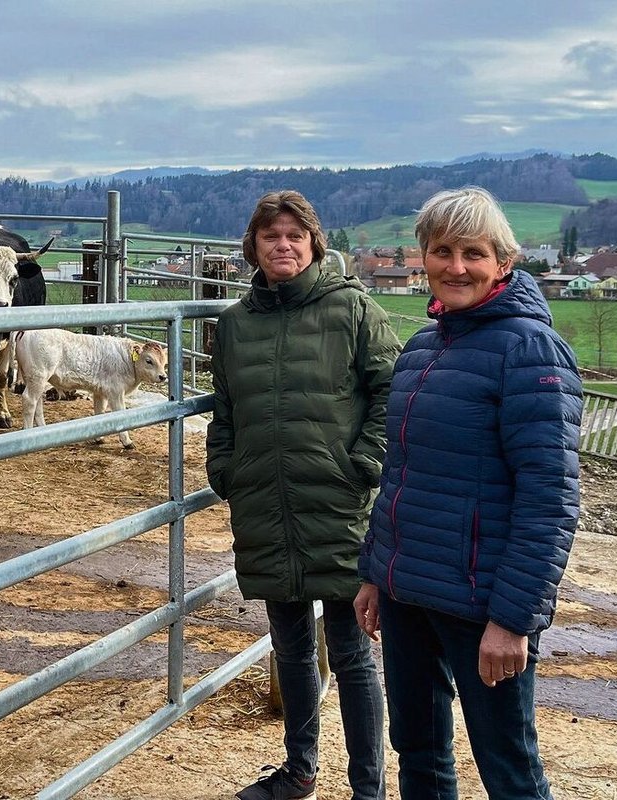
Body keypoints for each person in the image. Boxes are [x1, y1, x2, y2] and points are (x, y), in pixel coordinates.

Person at [355, 187, 583, 799]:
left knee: (507, 767)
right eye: (443, 250)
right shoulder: (422, 350)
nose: (457, 267)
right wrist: (377, 573)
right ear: (423, 257)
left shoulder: (528, 349)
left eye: (474, 253)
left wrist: (513, 620)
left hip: (483, 602)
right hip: (410, 594)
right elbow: (401, 472)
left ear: (503, 263)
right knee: (419, 752)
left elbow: (549, 495)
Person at [206, 190, 400, 800]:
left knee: (350, 654)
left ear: (314, 242)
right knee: (290, 649)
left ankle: (368, 787)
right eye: (271, 236)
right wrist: (225, 469)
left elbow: (390, 393)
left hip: (338, 505)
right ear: (253, 247)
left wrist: (364, 463)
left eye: (295, 235)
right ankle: (299, 770)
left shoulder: (353, 310)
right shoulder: (236, 325)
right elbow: (225, 408)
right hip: (265, 503)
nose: (283, 245)